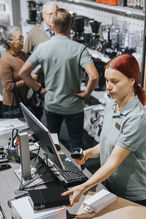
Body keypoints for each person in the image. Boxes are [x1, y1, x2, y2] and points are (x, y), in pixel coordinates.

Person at [62, 54, 146, 207]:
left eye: (114, 81)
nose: (108, 86)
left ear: (132, 81)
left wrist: (84, 187)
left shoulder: (137, 118)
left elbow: (113, 161)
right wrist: (87, 154)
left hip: (133, 194)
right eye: (107, 80)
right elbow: (107, 144)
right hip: (110, 184)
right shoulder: (112, 105)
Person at [19, 8, 98, 152]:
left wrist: (38, 88)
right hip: (74, 106)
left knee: (52, 143)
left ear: (52, 26)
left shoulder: (43, 48)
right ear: (71, 26)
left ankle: (56, 171)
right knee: (76, 145)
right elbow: (94, 76)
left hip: (52, 104)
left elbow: (23, 73)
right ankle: (78, 172)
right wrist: (86, 94)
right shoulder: (79, 49)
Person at [0, 26, 33, 118]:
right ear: (10, 43)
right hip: (13, 104)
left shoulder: (23, 55)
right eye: (19, 38)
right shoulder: (5, 60)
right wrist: (28, 80)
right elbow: (8, 86)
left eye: (22, 37)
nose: (23, 40)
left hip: (25, 100)